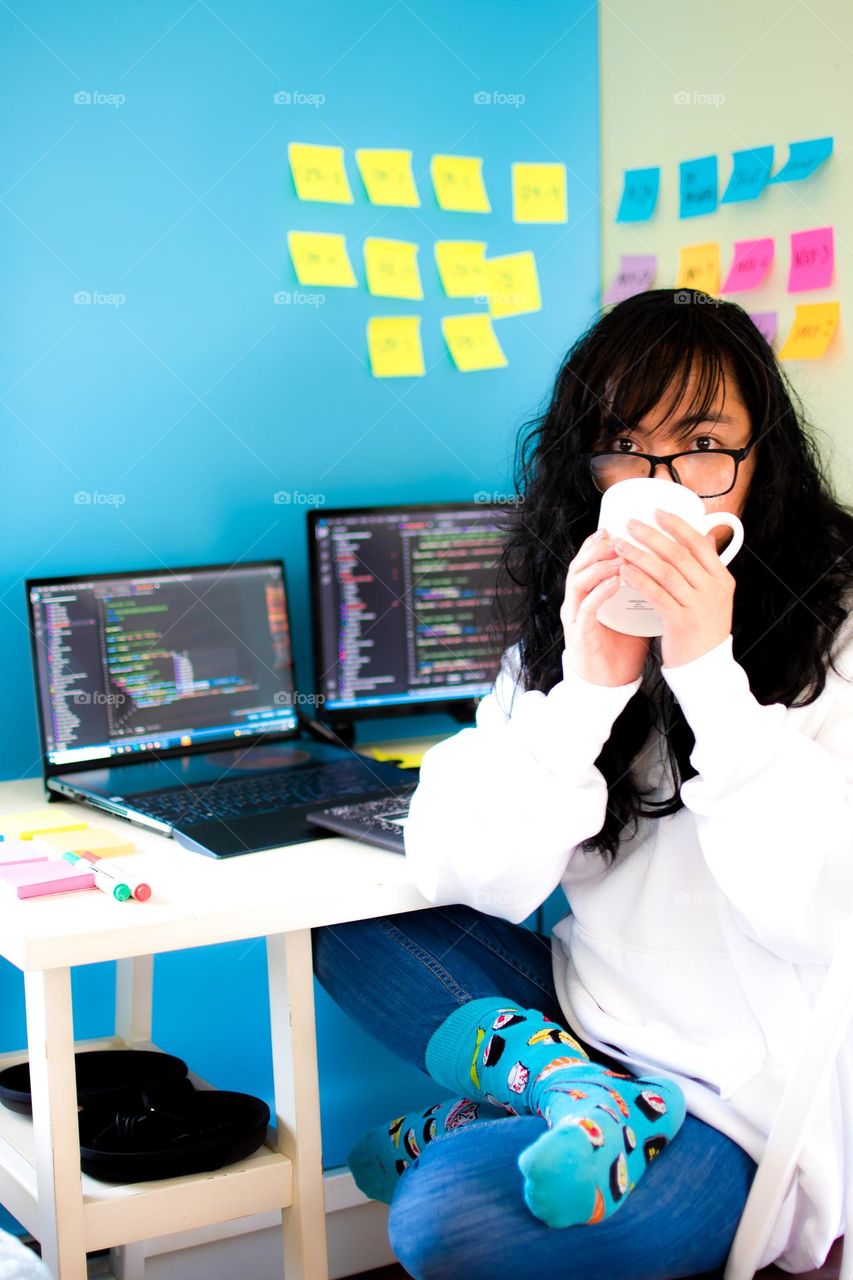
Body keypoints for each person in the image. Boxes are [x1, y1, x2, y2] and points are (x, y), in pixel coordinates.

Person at [311, 288, 853, 1280]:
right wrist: (587, 690)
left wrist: (706, 673)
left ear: (758, 462)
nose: (663, 483)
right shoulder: (575, 620)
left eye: (700, 442)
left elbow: (827, 913)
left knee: (447, 1218)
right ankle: (567, 1090)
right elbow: (458, 863)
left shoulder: (839, 626)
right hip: (578, 1020)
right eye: (622, 446)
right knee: (336, 920)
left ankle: (533, 1096)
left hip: (737, 1107)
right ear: (587, 470)